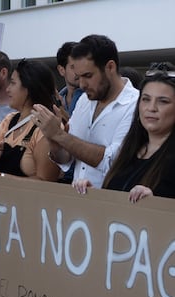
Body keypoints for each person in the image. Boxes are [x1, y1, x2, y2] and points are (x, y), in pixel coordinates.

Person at [32, 34, 139, 188]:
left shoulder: (135, 104)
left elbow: (112, 161)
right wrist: (52, 139)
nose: (82, 84)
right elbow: (67, 158)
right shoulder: (84, 100)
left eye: (88, 76)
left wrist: (59, 135)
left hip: (112, 205)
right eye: (79, 77)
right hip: (79, 203)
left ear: (110, 67)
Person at [72, 62, 175, 202]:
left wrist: (156, 204)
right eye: (146, 99)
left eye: (163, 101)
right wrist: (94, 194)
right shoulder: (130, 149)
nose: (151, 108)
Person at [0, 59, 60, 181]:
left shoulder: (47, 126)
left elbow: (45, 182)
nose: (8, 89)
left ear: (29, 88)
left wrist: (0, 177)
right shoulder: (9, 120)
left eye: (13, 83)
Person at [56, 41, 84, 183]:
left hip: (82, 177)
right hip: (61, 172)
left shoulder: (90, 98)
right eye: (73, 67)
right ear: (62, 70)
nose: (79, 72)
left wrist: (63, 114)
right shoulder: (58, 97)